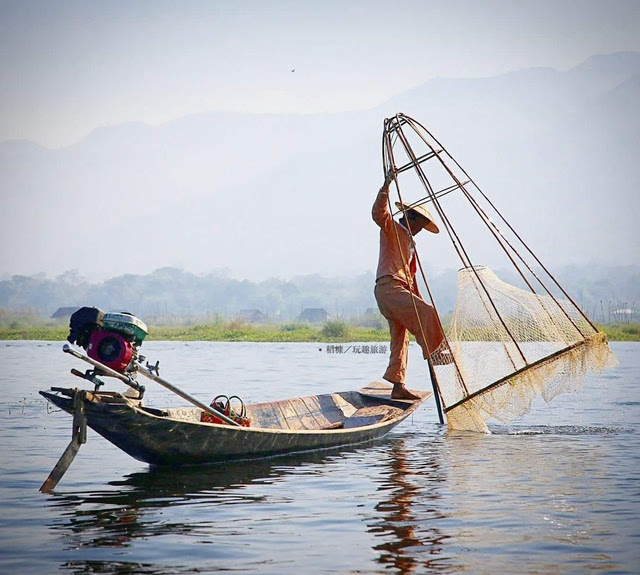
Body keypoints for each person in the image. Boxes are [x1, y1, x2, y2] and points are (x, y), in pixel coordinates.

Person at [372, 173, 445, 400]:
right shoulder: (391, 228)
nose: (419, 231)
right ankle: (435, 353)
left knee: (400, 338)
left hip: (398, 290)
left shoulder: (410, 243)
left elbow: (412, 280)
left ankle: (397, 385)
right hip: (389, 288)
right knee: (428, 312)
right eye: (419, 227)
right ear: (410, 219)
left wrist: (419, 301)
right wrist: (387, 184)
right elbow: (378, 213)